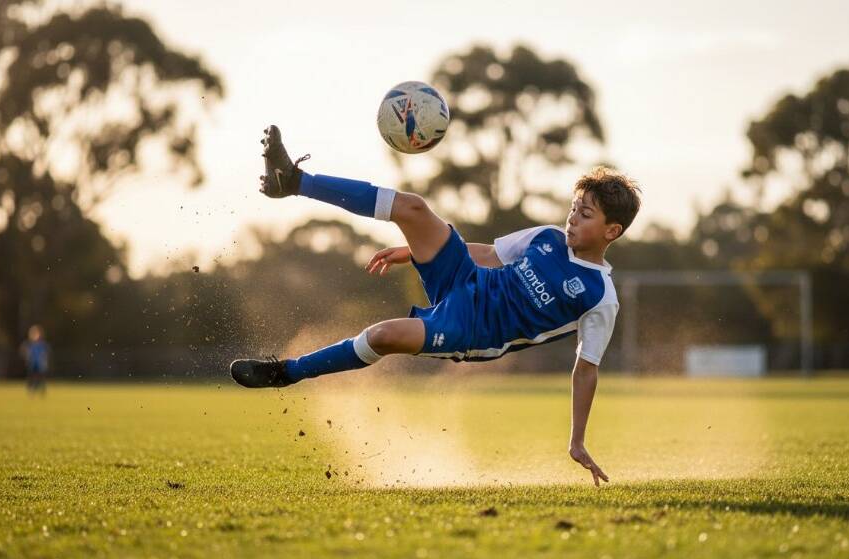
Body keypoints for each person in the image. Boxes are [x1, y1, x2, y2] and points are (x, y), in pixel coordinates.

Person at [230, 125, 641, 486]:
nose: (572, 219)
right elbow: (489, 255)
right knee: (412, 207)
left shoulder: (599, 296)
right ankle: (294, 181)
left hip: (474, 328)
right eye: (573, 208)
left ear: (612, 230)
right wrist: (413, 251)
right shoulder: (547, 237)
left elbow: (586, 370)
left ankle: (286, 372)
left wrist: (577, 440)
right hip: (467, 277)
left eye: (584, 214)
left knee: (383, 335)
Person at [21, 324, 50, 394]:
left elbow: (45, 353)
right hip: (32, 364)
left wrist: (44, 361)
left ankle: (41, 389)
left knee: (40, 377)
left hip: (40, 364)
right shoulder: (29, 344)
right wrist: (27, 358)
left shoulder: (42, 344)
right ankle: (31, 389)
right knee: (31, 377)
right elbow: (25, 353)